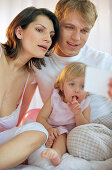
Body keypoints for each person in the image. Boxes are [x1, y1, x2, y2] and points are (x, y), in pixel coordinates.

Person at [0, 6, 59, 170]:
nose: (48, 39)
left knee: (39, 130)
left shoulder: (30, 77)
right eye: (40, 30)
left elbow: (17, 127)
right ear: (19, 32)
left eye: (51, 36)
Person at [35, 0, 112, 122]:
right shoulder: (39, 63)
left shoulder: (102, 61)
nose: (76, 38)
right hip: (63, 131)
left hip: (103, 126)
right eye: (69, 27)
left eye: (84, 30)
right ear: (55, 25)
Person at [37, 62, 90, 166]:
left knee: (64, 135)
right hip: (52, 129)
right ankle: (53, 150)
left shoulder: (85, 103)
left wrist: (78, 114)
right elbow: (40, 118)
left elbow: (86, 128)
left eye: (83, 86)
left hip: (70, 135)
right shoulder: (55, 97)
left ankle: (55, 150)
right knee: (56, 134)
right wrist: (49, 129)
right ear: (61, 86)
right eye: (72, 84)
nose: (77, 90)